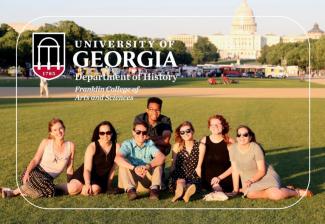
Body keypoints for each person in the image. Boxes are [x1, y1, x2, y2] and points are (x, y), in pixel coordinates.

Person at [230, 125, 313, 200]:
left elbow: (262, 171)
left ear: (250, 137)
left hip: (265, 176)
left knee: (276, 195)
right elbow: (235, 170)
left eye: (245, 135)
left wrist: (251, 181)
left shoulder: (255, 148)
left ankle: (296, 192)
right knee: (250, 194)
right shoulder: (233, 149)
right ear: (236, 137)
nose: (242, 137)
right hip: (249, 181)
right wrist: (235, 190)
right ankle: (281, 189)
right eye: (239, 135)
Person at [1, 118, 75, 198]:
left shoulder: (70, 146)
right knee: (40, 182)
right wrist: (27, 173)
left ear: (64, 128)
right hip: (35, 172)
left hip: (47, 180)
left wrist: (70, 184)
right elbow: (35, 159)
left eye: (60, 128)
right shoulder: (46, 142)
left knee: (51, 190)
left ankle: (24, 191)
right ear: (51, 133)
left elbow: (69, 168)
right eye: (55, 130)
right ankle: (13, 192)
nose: (58, 132)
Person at [115, 121, 166, 200]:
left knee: (158, 164)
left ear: (147, 134)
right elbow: (117, 158)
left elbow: (161, 157)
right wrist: (134, 168)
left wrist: (147, 166)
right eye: (138, 132)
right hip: (132, 180)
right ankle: (131, 191)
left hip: (146, 180)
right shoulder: (127, 144)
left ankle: (154, 190)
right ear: (133, 132)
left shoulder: (149, 144)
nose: (141, 135)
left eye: (144, 132)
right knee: (123, 163)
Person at [66, 121, 119, 196]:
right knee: (73, 188)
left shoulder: (117, 147)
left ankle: (81, 188)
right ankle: (54, 188)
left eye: (108, 132)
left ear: (112, 133)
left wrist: (108, 186)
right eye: (102, 133)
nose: (105, 135)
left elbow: (112, 170)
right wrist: (87, 184)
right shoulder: (92, 146)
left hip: (100, 178)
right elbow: (87, 169)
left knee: (94, 190)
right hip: (85, 173)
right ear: (99, 134)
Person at [134, 97, 172, 188]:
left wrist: (149, 139)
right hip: (143, 146)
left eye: (158, 110)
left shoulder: (165, 120)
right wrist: (157, 139)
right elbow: (138, 137)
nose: (155, 113)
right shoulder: (140, 118)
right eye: (151, 109)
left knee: (160, 148)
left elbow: (166, 140)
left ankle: (160, 178)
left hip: (159, 147)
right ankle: (141, 176)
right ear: (147, 110)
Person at [169, 121, 205, 203]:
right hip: (179, 174)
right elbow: (173, 164)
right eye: (182, 132)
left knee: (192, 184)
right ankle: (181, 190)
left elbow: (199, 166)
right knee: (180, 181)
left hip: (193, 174)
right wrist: (170, 176)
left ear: (192, 131)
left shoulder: (201, 146)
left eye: (188, 131)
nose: (185, 133)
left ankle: (184, 193)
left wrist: (199, 179)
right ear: (180, 134)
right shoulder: (177, 146)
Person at [201, 115, 234, 194]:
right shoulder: (204, 140)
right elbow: (200, 164)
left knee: (224, 187)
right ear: (209, 127)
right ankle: (216, 189)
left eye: (218, 124)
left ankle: (219, 190)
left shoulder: (230, 142)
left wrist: (219, 178)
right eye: (212, 124)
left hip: (225, 177)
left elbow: (235, 166)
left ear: (223, 126)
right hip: (208, 177)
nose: (215, 126)